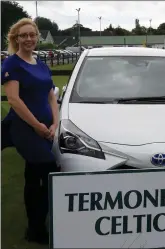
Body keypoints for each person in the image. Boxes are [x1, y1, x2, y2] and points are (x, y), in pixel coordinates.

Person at [1, 18, 60, 244]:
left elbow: (51, 96)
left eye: (31, 35)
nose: (28, 39)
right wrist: (37, 126)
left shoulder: (41, 63)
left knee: (34, 176)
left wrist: (54, 124)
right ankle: (36, 229)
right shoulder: (12, 64)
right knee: (47, 170)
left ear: (37, 37)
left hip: (46, 129)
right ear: (15, 39)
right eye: (22, 35)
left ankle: (36, 226)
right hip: (25, 128)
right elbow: (14, 100)